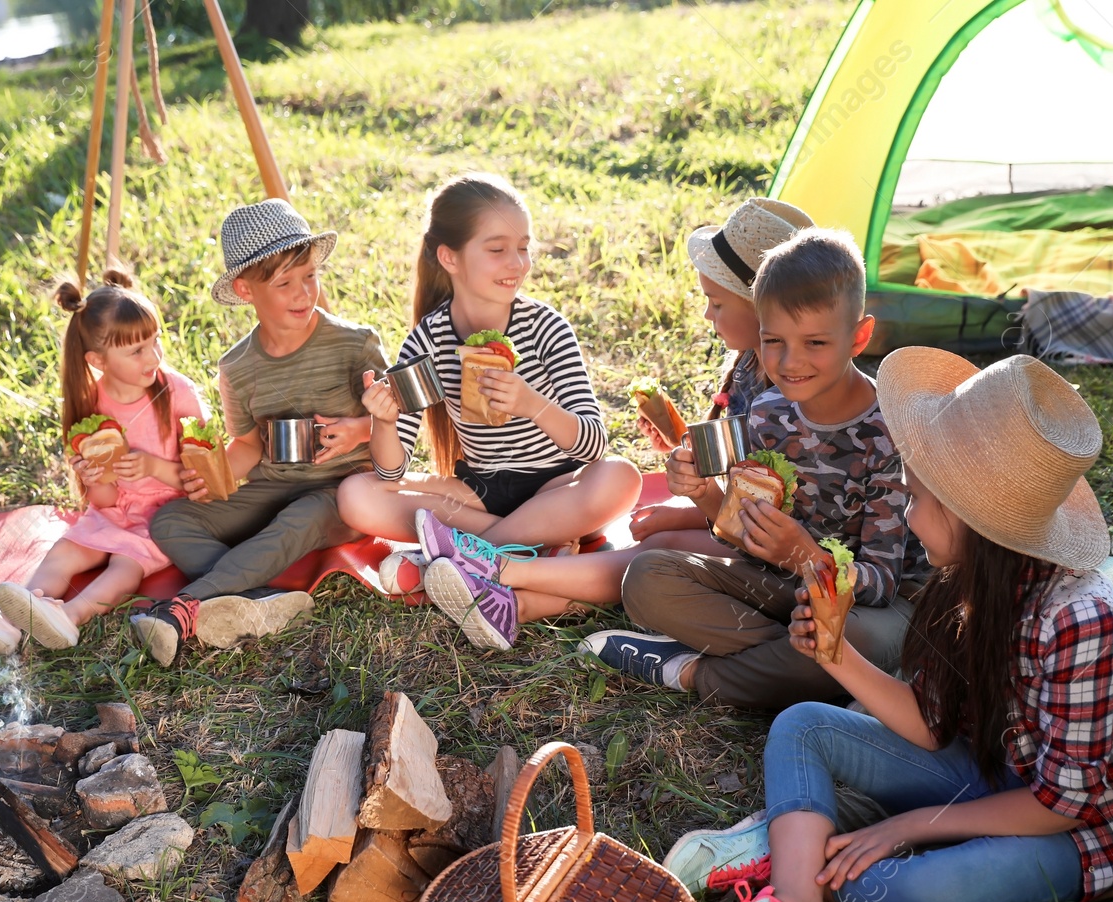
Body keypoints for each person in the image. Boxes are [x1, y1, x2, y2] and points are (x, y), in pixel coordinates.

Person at [677, 348, 1113, 902]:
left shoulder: (1083, 619)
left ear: (971, 520)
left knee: (901, 892)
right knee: (803, 725)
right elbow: (932, 723)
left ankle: (790, 846)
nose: (909, 514)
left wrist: (909, 825)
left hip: (1091, 827)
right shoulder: (966, 578)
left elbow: (1060, 804)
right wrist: (836, 656)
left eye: (918, 499)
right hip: (999, 771)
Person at [404, 198, 817, 649]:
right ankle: (509, 601)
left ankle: (499, 571)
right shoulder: (748, 369)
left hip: (781, 549)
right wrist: (678, 453)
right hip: (747, 529)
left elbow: (758, 516)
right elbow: (739, 481)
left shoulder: (784, 395)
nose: (706, 315)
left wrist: (688, 507)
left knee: (654, 553)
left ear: (762, 309)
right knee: (655, 542)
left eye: (715, 303)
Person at [580, 229, 930, 709]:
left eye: (815, 342)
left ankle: (695, 672)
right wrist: (704, 494)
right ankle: (803, 667)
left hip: (868, 608)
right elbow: (739, 531)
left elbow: (883, 582)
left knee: (854, 640)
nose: (791, 361)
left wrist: (807, 559)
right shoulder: (767, 413)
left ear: (859, 336)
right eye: (773, 341)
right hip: (781, 591)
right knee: (645, 576)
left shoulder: (890, 432)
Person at [336, 172, 641, 649]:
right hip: (479, 492)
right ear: (449, 257)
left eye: (523, 246)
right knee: (356, 493)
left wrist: (532, 404)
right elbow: (391, 471)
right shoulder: (430, 341)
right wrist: (384, 421)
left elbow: (593, 442)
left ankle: (451, 561)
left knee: (622, 476)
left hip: (559, 487)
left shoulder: (545, 329)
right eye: (497, 249)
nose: (517, 262)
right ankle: (526, 556)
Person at [132, 199, 386, 666]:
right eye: (284, 282)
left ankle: (181, 607)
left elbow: (401, 421)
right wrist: (215, 476)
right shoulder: (237, 365)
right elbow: (248, 444)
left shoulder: (355, 343)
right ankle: (261, 597)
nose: (302, 293)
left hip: (340, 493)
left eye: (309, 275)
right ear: (245, 290)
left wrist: (357, 430)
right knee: (171, 521)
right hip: (272, 486)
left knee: (297, 521)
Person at [0, 271, 199, 654]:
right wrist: (94, 477)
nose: (153, 357)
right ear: (97, 360)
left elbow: (204, 478)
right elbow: (102, 501)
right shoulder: (93, 409)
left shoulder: (177, 392)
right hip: (114, 512)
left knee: (125, 566)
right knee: (65, 551)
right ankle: (5, 623)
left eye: (155, 342)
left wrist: (153, 467)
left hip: (167, 516)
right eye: (136, 351)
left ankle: (69, 617)